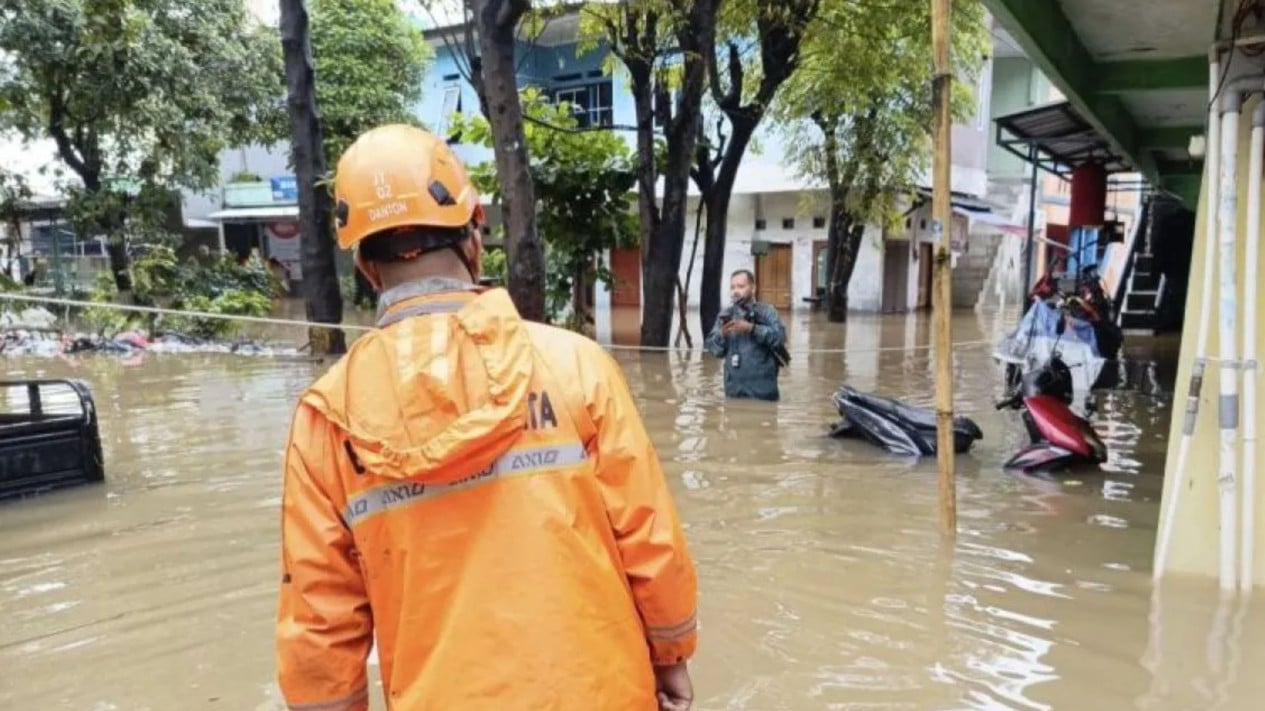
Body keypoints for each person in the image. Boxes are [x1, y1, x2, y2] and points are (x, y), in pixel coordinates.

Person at [275, 124, 699, 711]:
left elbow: (319, 626)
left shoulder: (327, 419)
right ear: (474, 238)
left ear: (367, 267)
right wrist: (671, 656)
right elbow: (651, 543)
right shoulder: (575, 366)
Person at [705, 269, 788, 401]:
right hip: (734, 393)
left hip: (763, 393)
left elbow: (779, 338)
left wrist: (752, 328)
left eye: (741, 286)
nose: (735, 291)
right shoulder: (725, 315)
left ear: (753, 288)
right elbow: (714, 350)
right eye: (732, 287)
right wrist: (722, 334)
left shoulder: (767, 312)